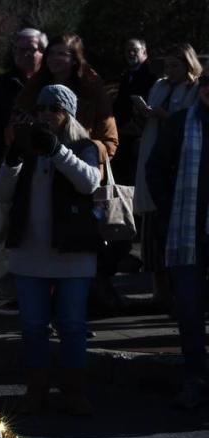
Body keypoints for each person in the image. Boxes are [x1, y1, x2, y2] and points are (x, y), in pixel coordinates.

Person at [0, 84, 103, 416]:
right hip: (30, 255)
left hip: (73, 256)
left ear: (67, 114)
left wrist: (57, 151)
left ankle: (75, 391)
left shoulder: (84, 146)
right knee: (33, 326)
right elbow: (0, 193)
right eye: (40, 109)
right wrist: (12, 159)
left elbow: (89, 182)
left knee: (72, 326)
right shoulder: (27, 148)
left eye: (53, 109)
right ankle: (36, 389)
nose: (45, 115)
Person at [14, 34, 121, 317]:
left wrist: (72, 147)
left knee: (73, 316)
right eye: (52, 54)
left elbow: (108, 143)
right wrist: (15, 154)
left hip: (78, 182)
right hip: (35, 230)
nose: (55, 60)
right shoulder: (34, 87)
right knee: (34, 323)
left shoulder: (92, 88)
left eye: (63, 54)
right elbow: (2, 190)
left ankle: (96, 300)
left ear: (76, 59)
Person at [146, 75, 209, 409]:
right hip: (188, 231)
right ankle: (195, 377)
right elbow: (155, 168)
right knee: (189, 309)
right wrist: (170, 208)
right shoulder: (182, 123)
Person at [0, 27, 47, 315]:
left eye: (31, 49)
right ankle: (9, 294)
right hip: (10, 169)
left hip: (46, 170)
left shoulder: (50, 85)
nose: (25, 54)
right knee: (6, 233)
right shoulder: (0, 88)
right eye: (20, 49)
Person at [135, 44, 203, 312]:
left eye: (176, 65)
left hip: (179, 164)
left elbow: (190, 120)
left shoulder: (195, 89)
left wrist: (165, 116)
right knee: (153, 232)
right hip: (155, 156)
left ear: (188, 64)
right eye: (167, 66)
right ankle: (159, 292)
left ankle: (179, 293)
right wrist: (144, 113)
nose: (170, 71)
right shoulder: (160, 86)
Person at [112, 39, 157, 183]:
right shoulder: (126, 75)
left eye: (135, 50)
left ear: (144, 52)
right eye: (127, 51)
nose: (131, 53)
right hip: (124, 128)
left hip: (141, 130)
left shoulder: (152, 75)